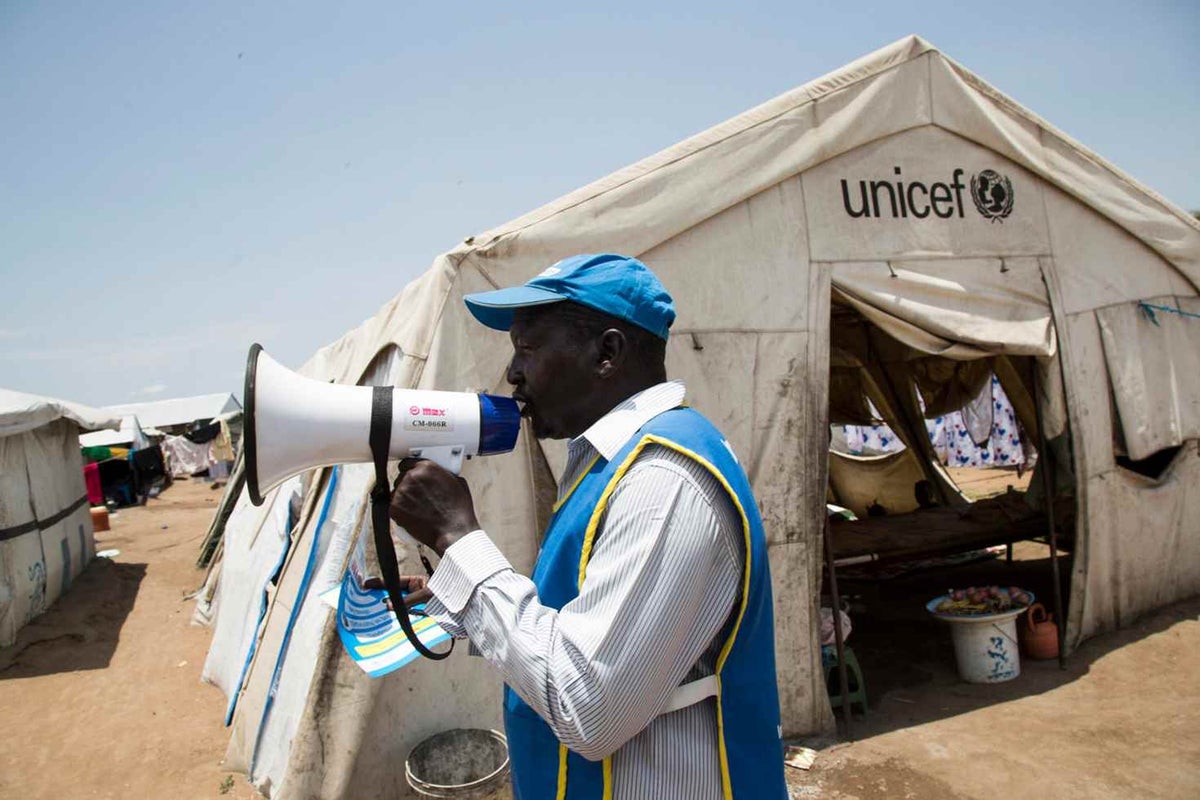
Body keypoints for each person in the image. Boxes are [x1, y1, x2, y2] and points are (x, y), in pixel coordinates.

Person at [389, 253, 787, 800]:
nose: (513, 373)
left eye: (528, 347)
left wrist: (458, 540)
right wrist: (453, 591)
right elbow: (581, 618)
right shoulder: (611, 462)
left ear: (606, 353)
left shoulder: (663, 480)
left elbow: (590, 706)